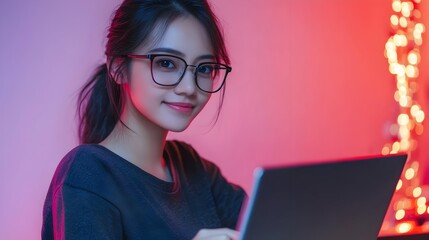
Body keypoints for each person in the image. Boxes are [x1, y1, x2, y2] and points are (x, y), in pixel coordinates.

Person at [41, 0, 246, 239]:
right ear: (118, 68)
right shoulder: (88, 172)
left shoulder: (193, 168)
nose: (189, 87)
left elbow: (269, 224)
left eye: (203, 68)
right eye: (166, 63)